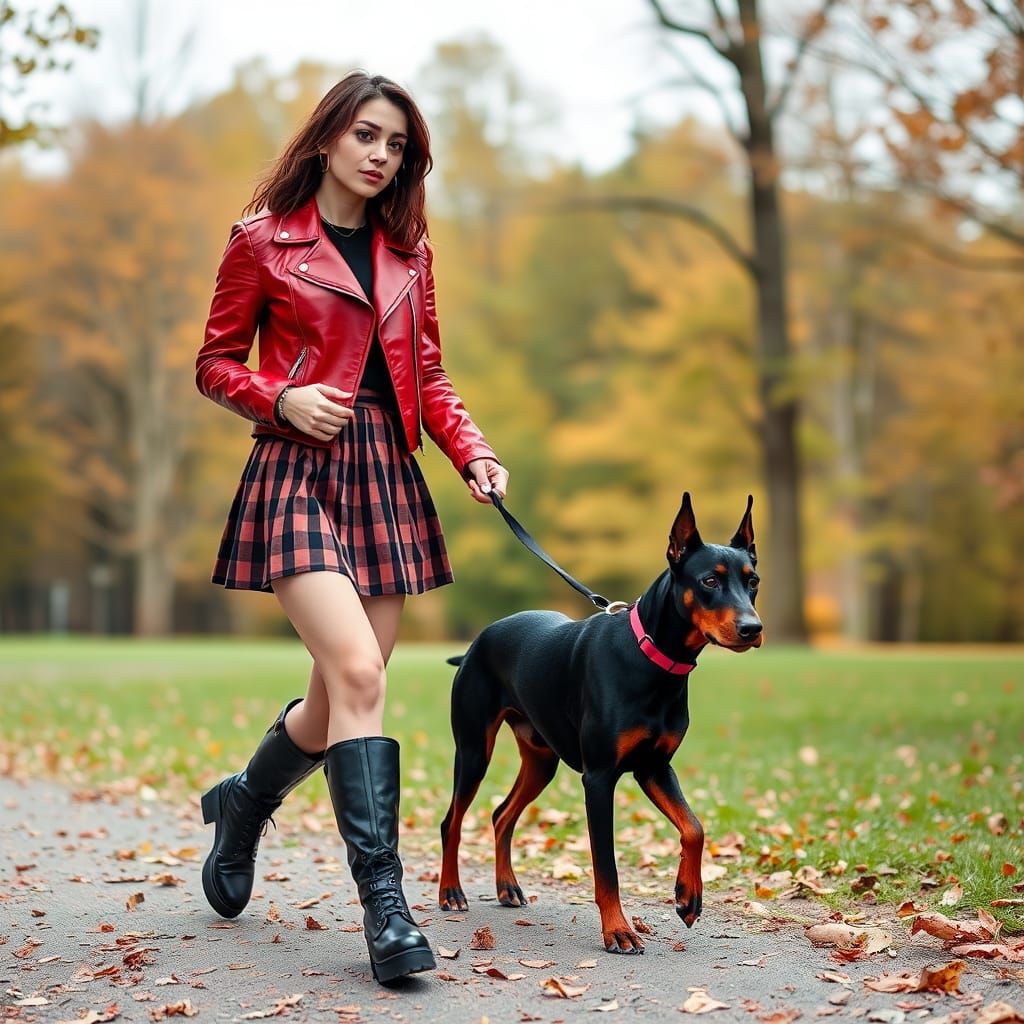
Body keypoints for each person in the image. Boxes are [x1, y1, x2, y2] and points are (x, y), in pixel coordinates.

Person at [194, 70, 508, 985]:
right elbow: (215, 363)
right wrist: (280, 397)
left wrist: (472, 451)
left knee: (337, 702)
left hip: (383, 476)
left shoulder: (410, 254)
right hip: (296, 467)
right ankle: (386, 909)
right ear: (329, 136)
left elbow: (430, 375)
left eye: (397, 145)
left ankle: (245, 804)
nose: (380, 155)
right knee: (363, 672)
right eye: (367, 135)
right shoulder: (262, 242)